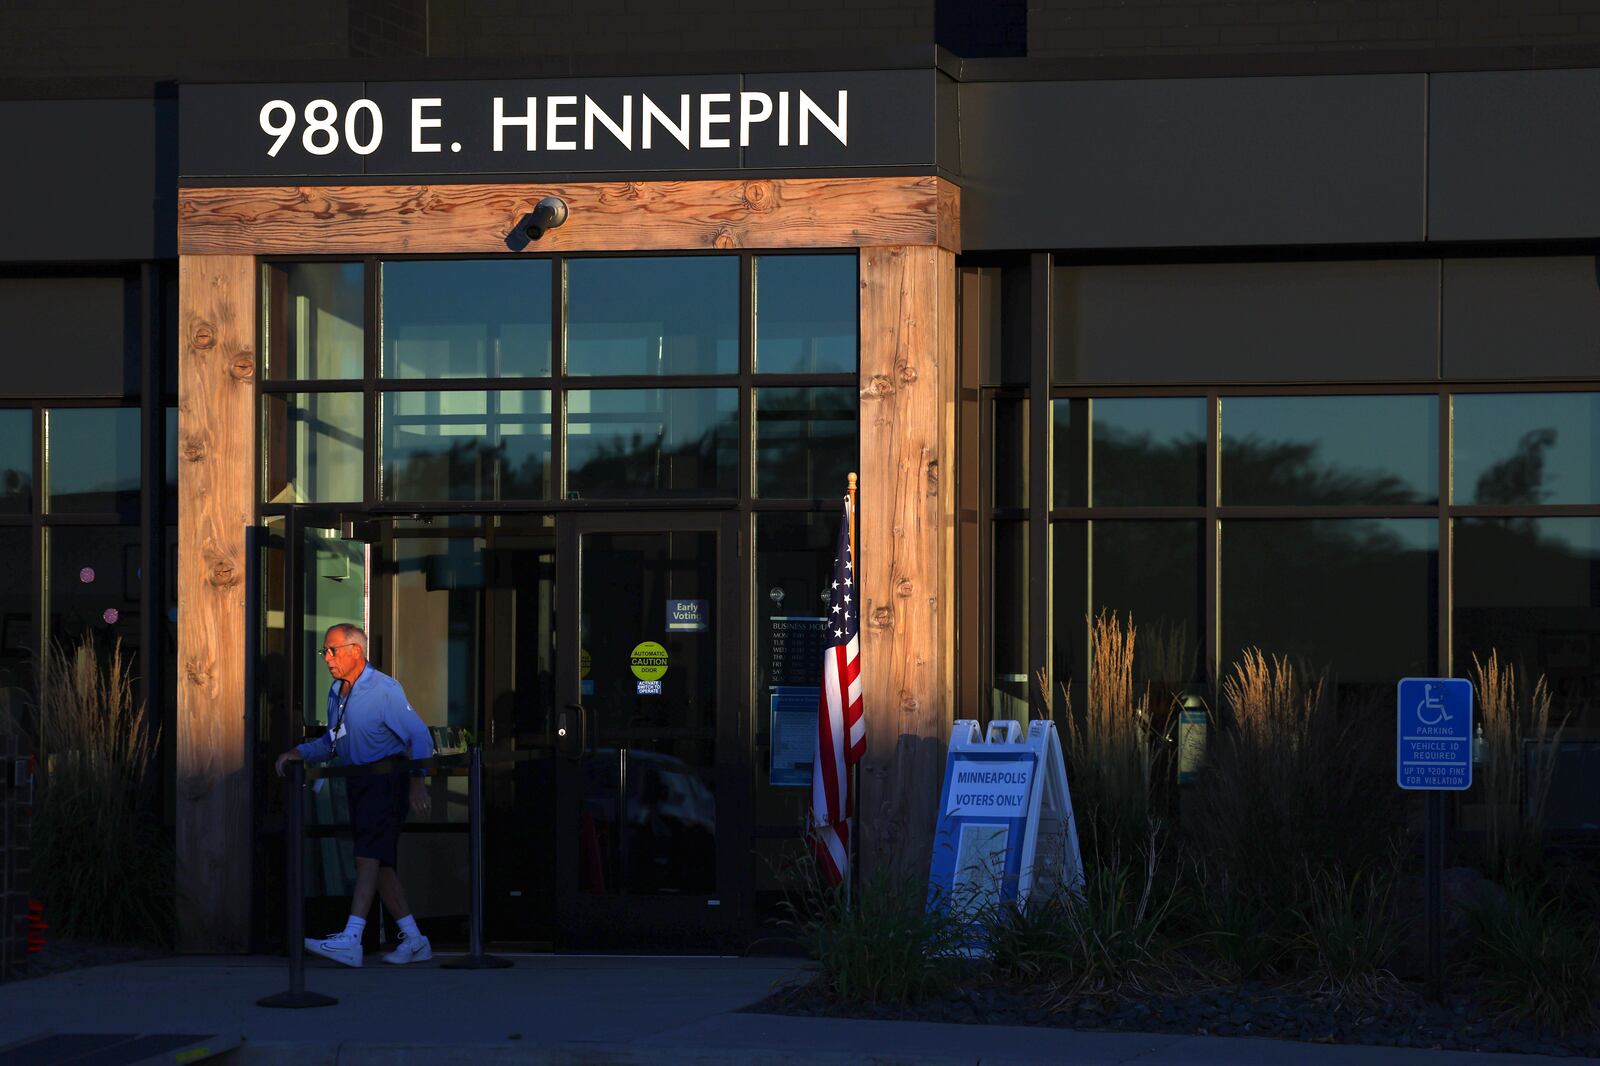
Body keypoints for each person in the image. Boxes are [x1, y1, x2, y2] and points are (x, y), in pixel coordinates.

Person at [275, 624, 435, 967]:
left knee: (366, 858)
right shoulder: (337, 691)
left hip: (385, 779)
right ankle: (415, 940)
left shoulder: (383, 689)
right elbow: (333, 741)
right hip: (359, 782)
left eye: (332, 650)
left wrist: (418, 781)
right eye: (324, 652)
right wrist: (299, 753)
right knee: (380, 865)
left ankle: (352, 938)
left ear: (355, 652)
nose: (327, 658)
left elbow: (419, 736)